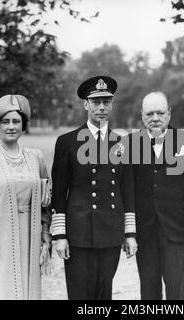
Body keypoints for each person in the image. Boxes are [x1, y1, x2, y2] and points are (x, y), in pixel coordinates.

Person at [50, 75, 137, 300]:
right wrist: (60, 235)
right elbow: (59, 191)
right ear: (86, 104)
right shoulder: (67, 142)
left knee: (103, 293)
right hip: (78, 233)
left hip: (110, 231)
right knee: (79, 295)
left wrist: (129, 233)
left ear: (111, 105)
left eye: (106, 102)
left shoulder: (122, 143)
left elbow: (127, 190)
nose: (101, 108)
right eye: (96, 102)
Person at [0, 95, 52, 300]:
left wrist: (45, 235)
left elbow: (46, 201)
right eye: (5, 122)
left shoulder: (36, 157)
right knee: (0, 287)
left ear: (23, 126)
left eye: (16, 121)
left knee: (28, 287)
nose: (11, 126)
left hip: (30, 235)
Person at [132, 91, 184, 300]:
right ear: (142, 116)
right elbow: (126, 189)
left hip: (179, 229)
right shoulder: (131, 143)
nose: (155, 118)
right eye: (149, 114)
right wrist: (128, 231)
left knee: (177, 290)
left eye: (160, 112)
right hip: (144, 231)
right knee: (148, 291)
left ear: (169, 113)